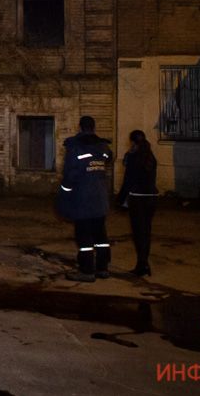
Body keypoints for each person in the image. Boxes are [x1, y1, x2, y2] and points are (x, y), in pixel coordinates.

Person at [56, 116, 113, 282]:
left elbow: (70, 175)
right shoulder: (103, 147)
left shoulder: (75, 147)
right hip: (100, 198)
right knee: (101, 236)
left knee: (84, 237)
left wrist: (63, 195)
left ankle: (86, 271)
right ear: (94, 127)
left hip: (82, 199)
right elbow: (109, 158)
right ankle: (102, 268)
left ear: (80, 127)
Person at [118, 129, 158, 277]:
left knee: (138, 232)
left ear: (133, 141)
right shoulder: (150, 157)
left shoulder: (134, 157)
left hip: (138, 198)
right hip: (152, 197)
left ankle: (142, 264)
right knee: (146, 231)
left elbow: (128, 180)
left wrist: (120, 199)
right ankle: (144, 262)